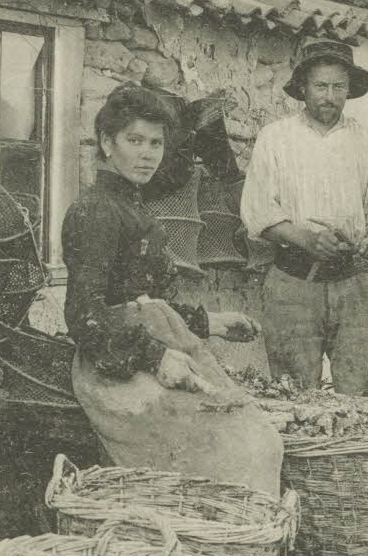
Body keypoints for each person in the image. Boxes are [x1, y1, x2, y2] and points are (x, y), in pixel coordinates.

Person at [61, 83, 284, 496]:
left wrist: (210, 323)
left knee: (259, 435)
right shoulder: (94, 211)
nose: (147, 154)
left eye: (156, 143)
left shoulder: (135, 206)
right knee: (238, 450)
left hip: (154, 351)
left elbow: (152, 305)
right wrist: (156, 355)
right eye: (134, 141)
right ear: (108, 143)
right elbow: (84, 316)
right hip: (114, 369)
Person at [240, 38, 368, 397]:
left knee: (360, 396)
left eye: (338, 87)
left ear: (349, 90)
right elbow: (258, 213)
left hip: (357, 287)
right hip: (293, 285)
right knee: (293, 395)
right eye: (320, 86)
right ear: (303, 88)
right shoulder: (275, 139)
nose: (329, 96)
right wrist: (307, 240)